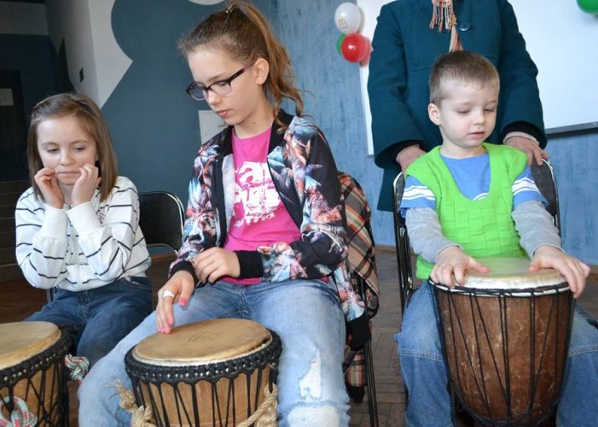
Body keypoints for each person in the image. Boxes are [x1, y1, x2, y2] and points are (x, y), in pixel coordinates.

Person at [78, 1, 368, 425]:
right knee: (101, 389)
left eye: (221, 83)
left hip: (298, 288)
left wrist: (244, 261)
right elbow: (196, 235)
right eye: (201, 87)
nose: (212, 99)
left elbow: (328, 243)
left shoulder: (302, 140)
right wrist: (183, 272)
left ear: (258, 70)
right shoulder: (210, 155)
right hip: (218, 292)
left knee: (316, 406)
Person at [396, 50, 598, 426]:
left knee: (584, 342)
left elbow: (530, 213)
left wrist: (547, 247)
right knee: (418, 345)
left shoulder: (511, 161)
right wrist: (446, 251)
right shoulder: (423, 171)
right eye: (465, 110)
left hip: (521, 279)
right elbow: (421, 227)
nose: (479, 119)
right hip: (446, 285)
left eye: (488, 109)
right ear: (436, 113)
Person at [368, 0, 549, 211]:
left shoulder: (496, 6)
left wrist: (520, 131)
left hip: (496, 152)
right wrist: (404, 149)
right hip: (423, 154)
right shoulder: (395, 14)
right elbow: (383, 87)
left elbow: (518, 72)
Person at [15, 93, 152, 368]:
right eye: (52, 150)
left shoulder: (121, 190)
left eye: (78, 148)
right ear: (38, 153)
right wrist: (55, 210)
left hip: (123, 293)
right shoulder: (30, 203)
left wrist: (80, 205)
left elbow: (109, 269)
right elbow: (42, 278)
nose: (66, 160)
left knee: (96, 353)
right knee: (20, 352)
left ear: (98, 150)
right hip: (65, 300)